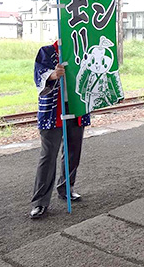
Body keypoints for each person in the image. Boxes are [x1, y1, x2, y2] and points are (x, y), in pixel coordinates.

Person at [30, 42, 91, 219]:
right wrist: (52, 75)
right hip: (53, 110)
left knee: (73, 150)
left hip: (76, 106)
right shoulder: (47, 51)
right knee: (48, 155)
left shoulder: (83, 48)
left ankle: (66, 187)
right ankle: (40, 201)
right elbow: (38, 74)